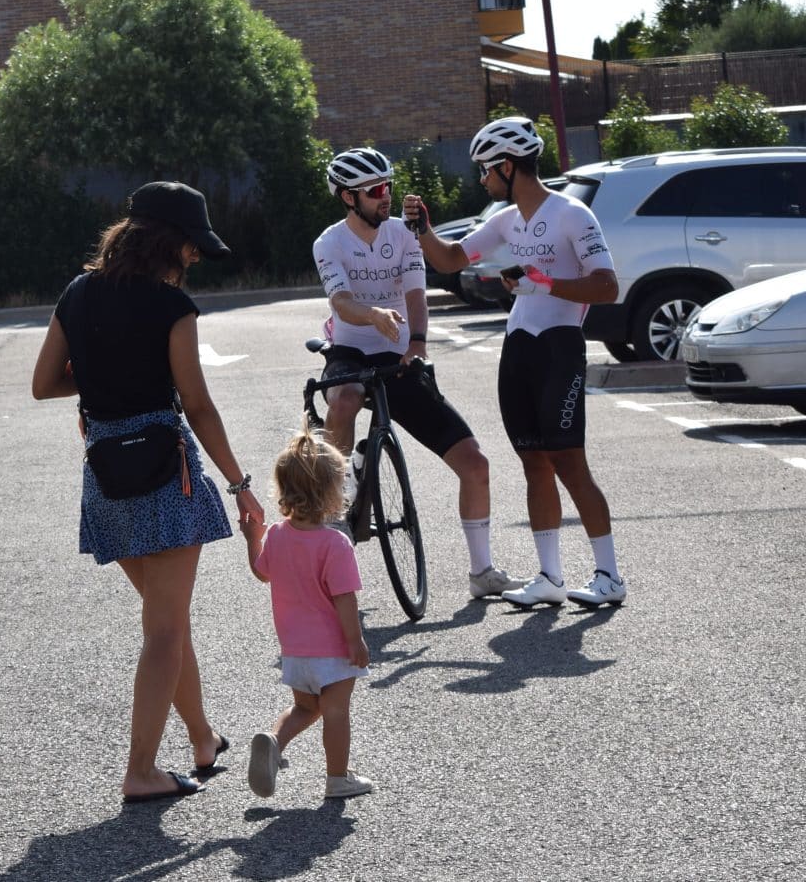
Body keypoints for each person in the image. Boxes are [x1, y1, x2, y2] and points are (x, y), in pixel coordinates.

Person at [31, 180, 264, 803]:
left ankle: (203, 739)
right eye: (192, 247)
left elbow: (44, 383)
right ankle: (140, 770)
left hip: (106, 470)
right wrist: (240, 485)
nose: (194, 258)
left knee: (168, 621)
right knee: (164, 630)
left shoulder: (77, 293)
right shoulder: (171, 308)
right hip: (164, 471)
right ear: (171, 241)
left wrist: (102, 383)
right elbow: (198, 405)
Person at [405, 116, 626, 608]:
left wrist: (542, 284)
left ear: (508, 165)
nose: (482, 179)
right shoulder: (508, 220)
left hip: (560, 347)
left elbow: (607, 287)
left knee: (570, 463)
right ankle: (549, 576)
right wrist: (423, 229)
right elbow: (451, 259)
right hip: (520, 348)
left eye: (485, 170)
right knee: (533, 463)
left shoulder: (572, 214)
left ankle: (609, 576)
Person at [311, 146, 519, 599]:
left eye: (388, 186)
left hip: (399, 354)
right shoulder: (329, 242)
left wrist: (418, 343)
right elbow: (340, 301)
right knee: (343, 398)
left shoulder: (403, 235)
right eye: (375, 190)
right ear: (349, 198)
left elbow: (415, 293)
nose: (386, 196)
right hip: (350, 347)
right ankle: (337, 490)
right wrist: (374, 317)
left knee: (475, 464)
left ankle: (482, 571)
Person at [240, 424, 373, 800]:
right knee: (334, 712)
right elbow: (344, 599)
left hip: (295, 650)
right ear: (331, 492)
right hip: (332, 649)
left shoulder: (278, 535)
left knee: (304, 707)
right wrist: (355, 642)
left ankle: (274, 741)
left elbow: (262, 572)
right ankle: (337, 778)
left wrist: (253, 539)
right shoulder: (335, 544)